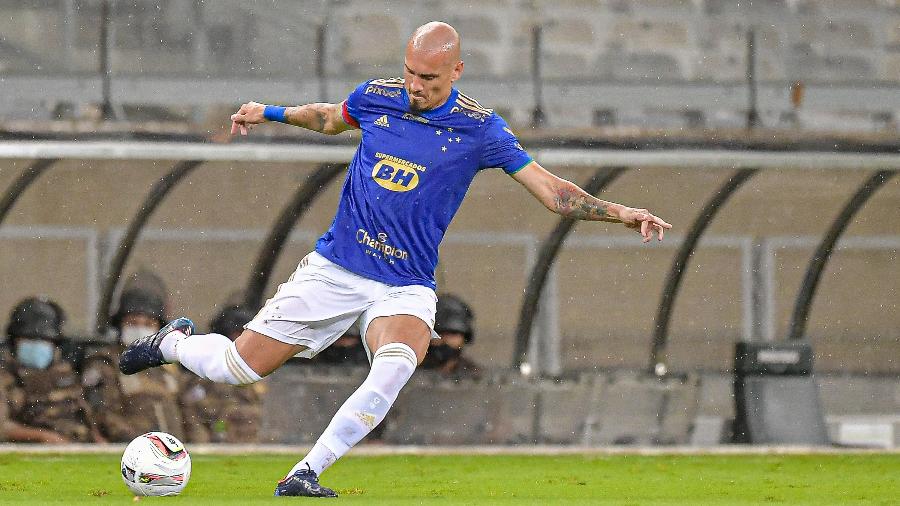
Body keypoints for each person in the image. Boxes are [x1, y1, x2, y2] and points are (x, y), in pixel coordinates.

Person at [119, 21, 670, 497]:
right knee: (236, 369)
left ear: (457, 71)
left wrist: (622, 213)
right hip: (336, 269)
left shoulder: (481, 130)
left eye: (428, 78)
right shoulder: (380, 96)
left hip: (403, 285)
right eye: (410, 72)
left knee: (397, 364)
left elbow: (553, 194)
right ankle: (172, 342)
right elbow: (330, 118)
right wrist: (271, 111)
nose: (415, 86)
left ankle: (304, 474)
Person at [82, 287, 185, 441]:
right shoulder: (106, 363)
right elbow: (103, 414)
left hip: (174, 452)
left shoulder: (167, 365)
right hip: (129, 452)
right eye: (133, 323)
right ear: (120, 326)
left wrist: (196, 445)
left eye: (148, 324)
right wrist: (142, 443)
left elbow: (187, 411)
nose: (140, 329)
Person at [2, 297, 103, 443]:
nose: (37, 345)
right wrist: (43, 437)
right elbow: (3, 427)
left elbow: (85, 415)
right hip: (35, 455)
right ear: (14, 342)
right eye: (30, 339)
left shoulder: (66, 374)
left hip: (79, 451)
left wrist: (99, 442)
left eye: (44, 340)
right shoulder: (6, 377)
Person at [180, 304, 264, 443]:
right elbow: (192, 418)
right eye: (237, 334)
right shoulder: (203, 376)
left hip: (252, 448)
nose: (241, 340)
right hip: (214, 447)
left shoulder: (261, 372)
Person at [420, 293, 481, 380]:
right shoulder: (406, 371)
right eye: (439, 333)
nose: (445, 340)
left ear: (464, 337)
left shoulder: (473, 375)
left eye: (453, 333)